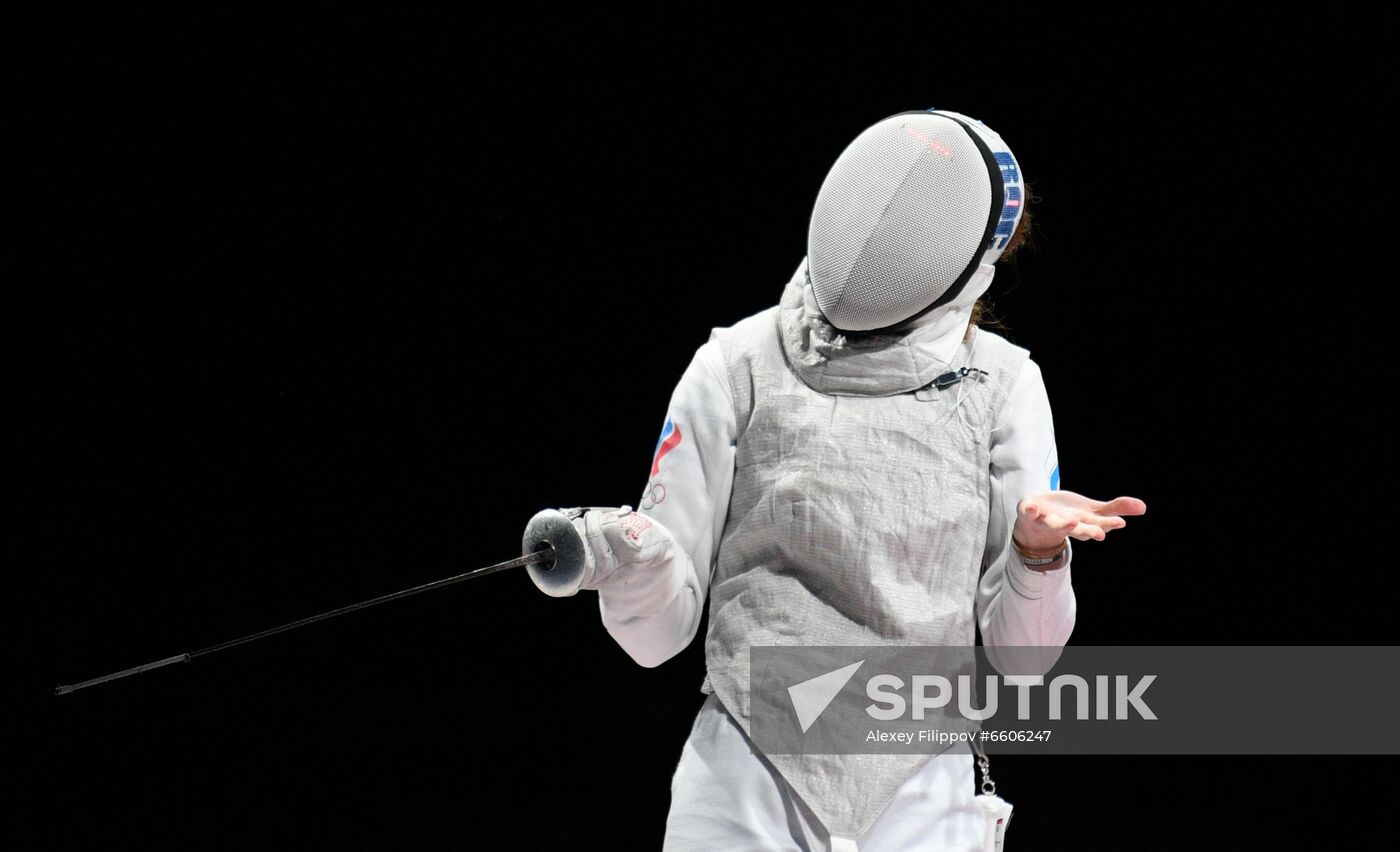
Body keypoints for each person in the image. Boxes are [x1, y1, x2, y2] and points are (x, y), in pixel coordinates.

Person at [536, 108, 1146, 851]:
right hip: (745, 777)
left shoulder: (1002, 386)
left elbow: (1023, 663)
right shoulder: (736, 364)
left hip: (922, 787)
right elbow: (656, 637)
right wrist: (637, 561)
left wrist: (1037, 555)